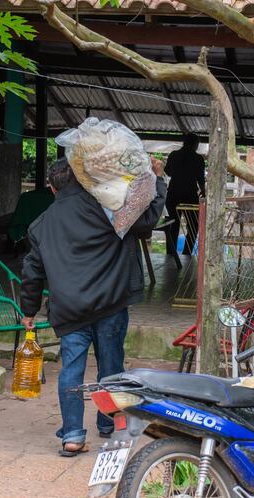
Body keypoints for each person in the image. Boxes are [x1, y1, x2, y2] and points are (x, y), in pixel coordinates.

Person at [20, 157, 166, 457]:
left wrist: (29, 310)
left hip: (70, 310)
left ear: (51, 188)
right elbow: (148, 219)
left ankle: (72, 435)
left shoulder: (41, 225)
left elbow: (31, 271)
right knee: (111, 368)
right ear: (81, 179)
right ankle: (109, 423)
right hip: (110, 304)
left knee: (71, 370)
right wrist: (157, 180)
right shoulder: (108, 206)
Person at [164, 133, 205, 256]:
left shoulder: (173, 155)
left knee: (172, 225)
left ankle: (170, 255)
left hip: (173, 194)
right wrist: (203, 191)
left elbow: (168, 172)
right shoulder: (198, 159)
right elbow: (200, 179)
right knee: (193, 226)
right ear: (195, 144)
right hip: (190, 195)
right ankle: (186, 253)